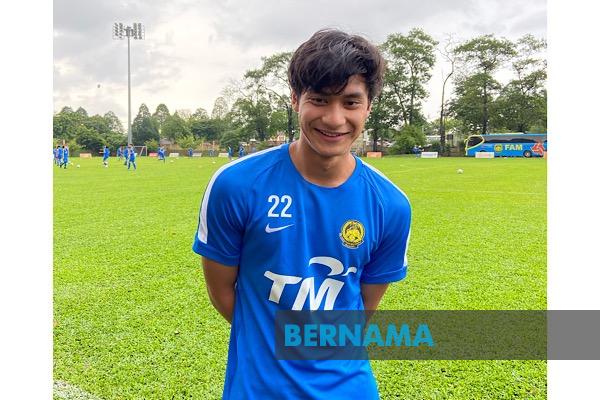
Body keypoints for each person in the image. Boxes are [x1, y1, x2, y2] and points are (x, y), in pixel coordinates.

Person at [193, 29, 411, 399]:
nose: (334, 119)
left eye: (351, 102)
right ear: (295, 99)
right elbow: (222, 292)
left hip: (350, 388)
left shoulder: (390, 205)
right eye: (320, 99)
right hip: (259, 389)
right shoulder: (236, 185)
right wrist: (268, 342)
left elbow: (363, 308)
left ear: (369, 106)